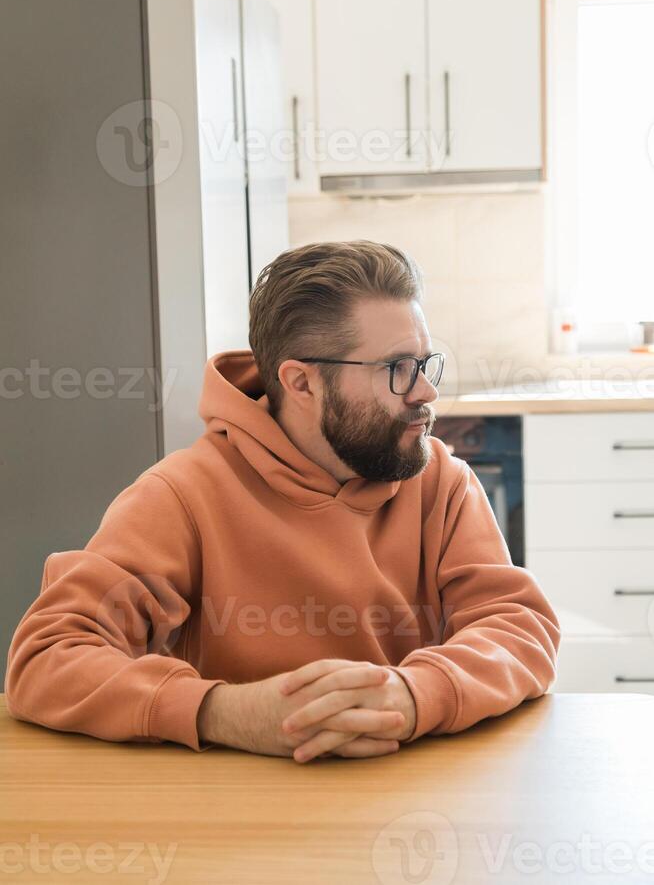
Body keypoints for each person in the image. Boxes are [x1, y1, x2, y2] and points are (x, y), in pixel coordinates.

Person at [4, 240, 560, 763]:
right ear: (301, 383)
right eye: (397, 368)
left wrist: (415, 696)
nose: (425, 392)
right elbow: (46, 658)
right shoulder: (184, 493)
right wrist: (223, 712)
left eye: (424, 362)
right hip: (239, 818)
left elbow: (517, 626)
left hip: (417, 810)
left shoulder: (442, 483)